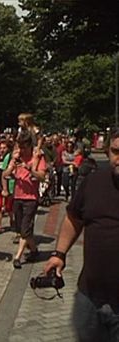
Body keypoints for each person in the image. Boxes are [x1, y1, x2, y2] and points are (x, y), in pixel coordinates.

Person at [43, 128, 119, 341]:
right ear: (107, 152)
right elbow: (73, 218)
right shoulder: (93, 183)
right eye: (115, 151)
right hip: (90, 296)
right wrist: (59, 254)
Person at [3, 133, 46, 269]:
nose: (21, 150)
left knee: (25, 228)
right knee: (21, 228)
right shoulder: (16, 156)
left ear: (29, 146)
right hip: (18, 196)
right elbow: (5, 174)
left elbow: (42, 176)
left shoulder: (37, 157)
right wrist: (12, 167)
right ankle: (34, 250)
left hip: (31, 198)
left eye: (24, 148)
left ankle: (18, 257)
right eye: (20, 147)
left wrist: (29, 168)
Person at [0, 140, 13, 235]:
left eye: (4, 148)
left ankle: (12, 220)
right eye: (0, 148)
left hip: (8, 185)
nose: (2, 150)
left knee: (9, 207)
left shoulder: (10, 158)